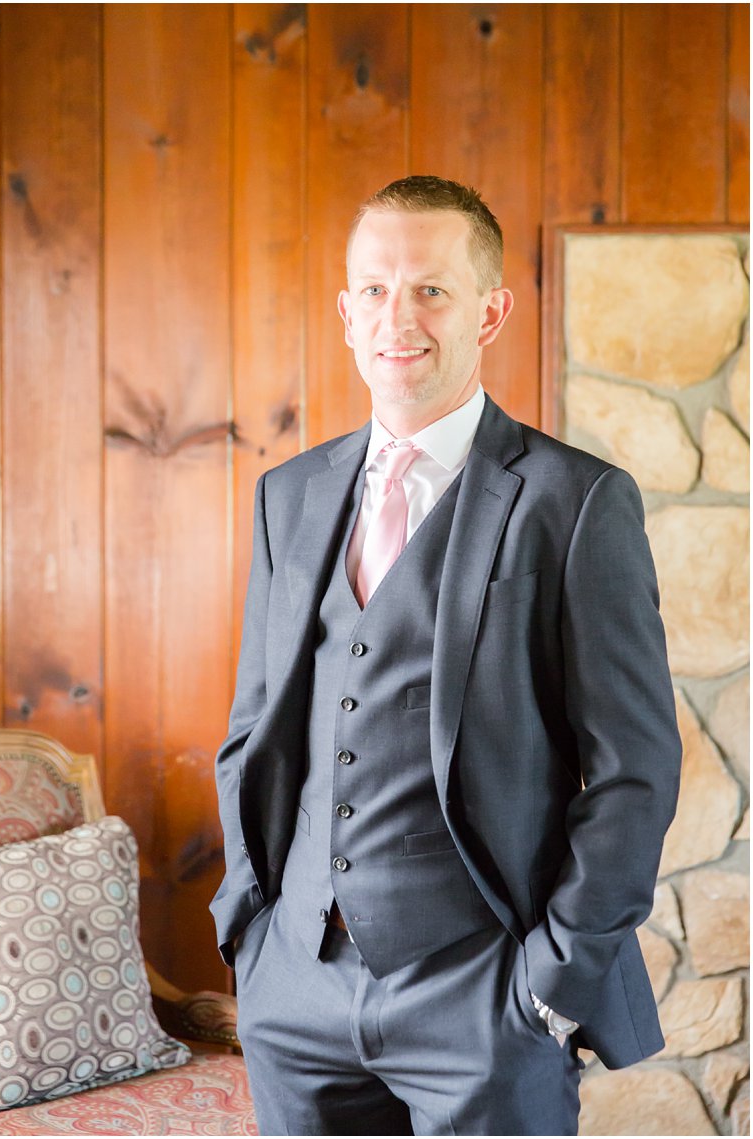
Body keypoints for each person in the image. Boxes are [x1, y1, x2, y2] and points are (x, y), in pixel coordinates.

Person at [210, 176, 680, 1135]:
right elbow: (254, 729)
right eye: (376, 290)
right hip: (296, 993)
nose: (400, 316)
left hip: (485, 998)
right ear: (346, 313)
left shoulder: (575, 501)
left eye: (432, 289)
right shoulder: (288, 496)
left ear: (491, 309)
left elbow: (635, 770)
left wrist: (545, 990)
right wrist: (251, 937)